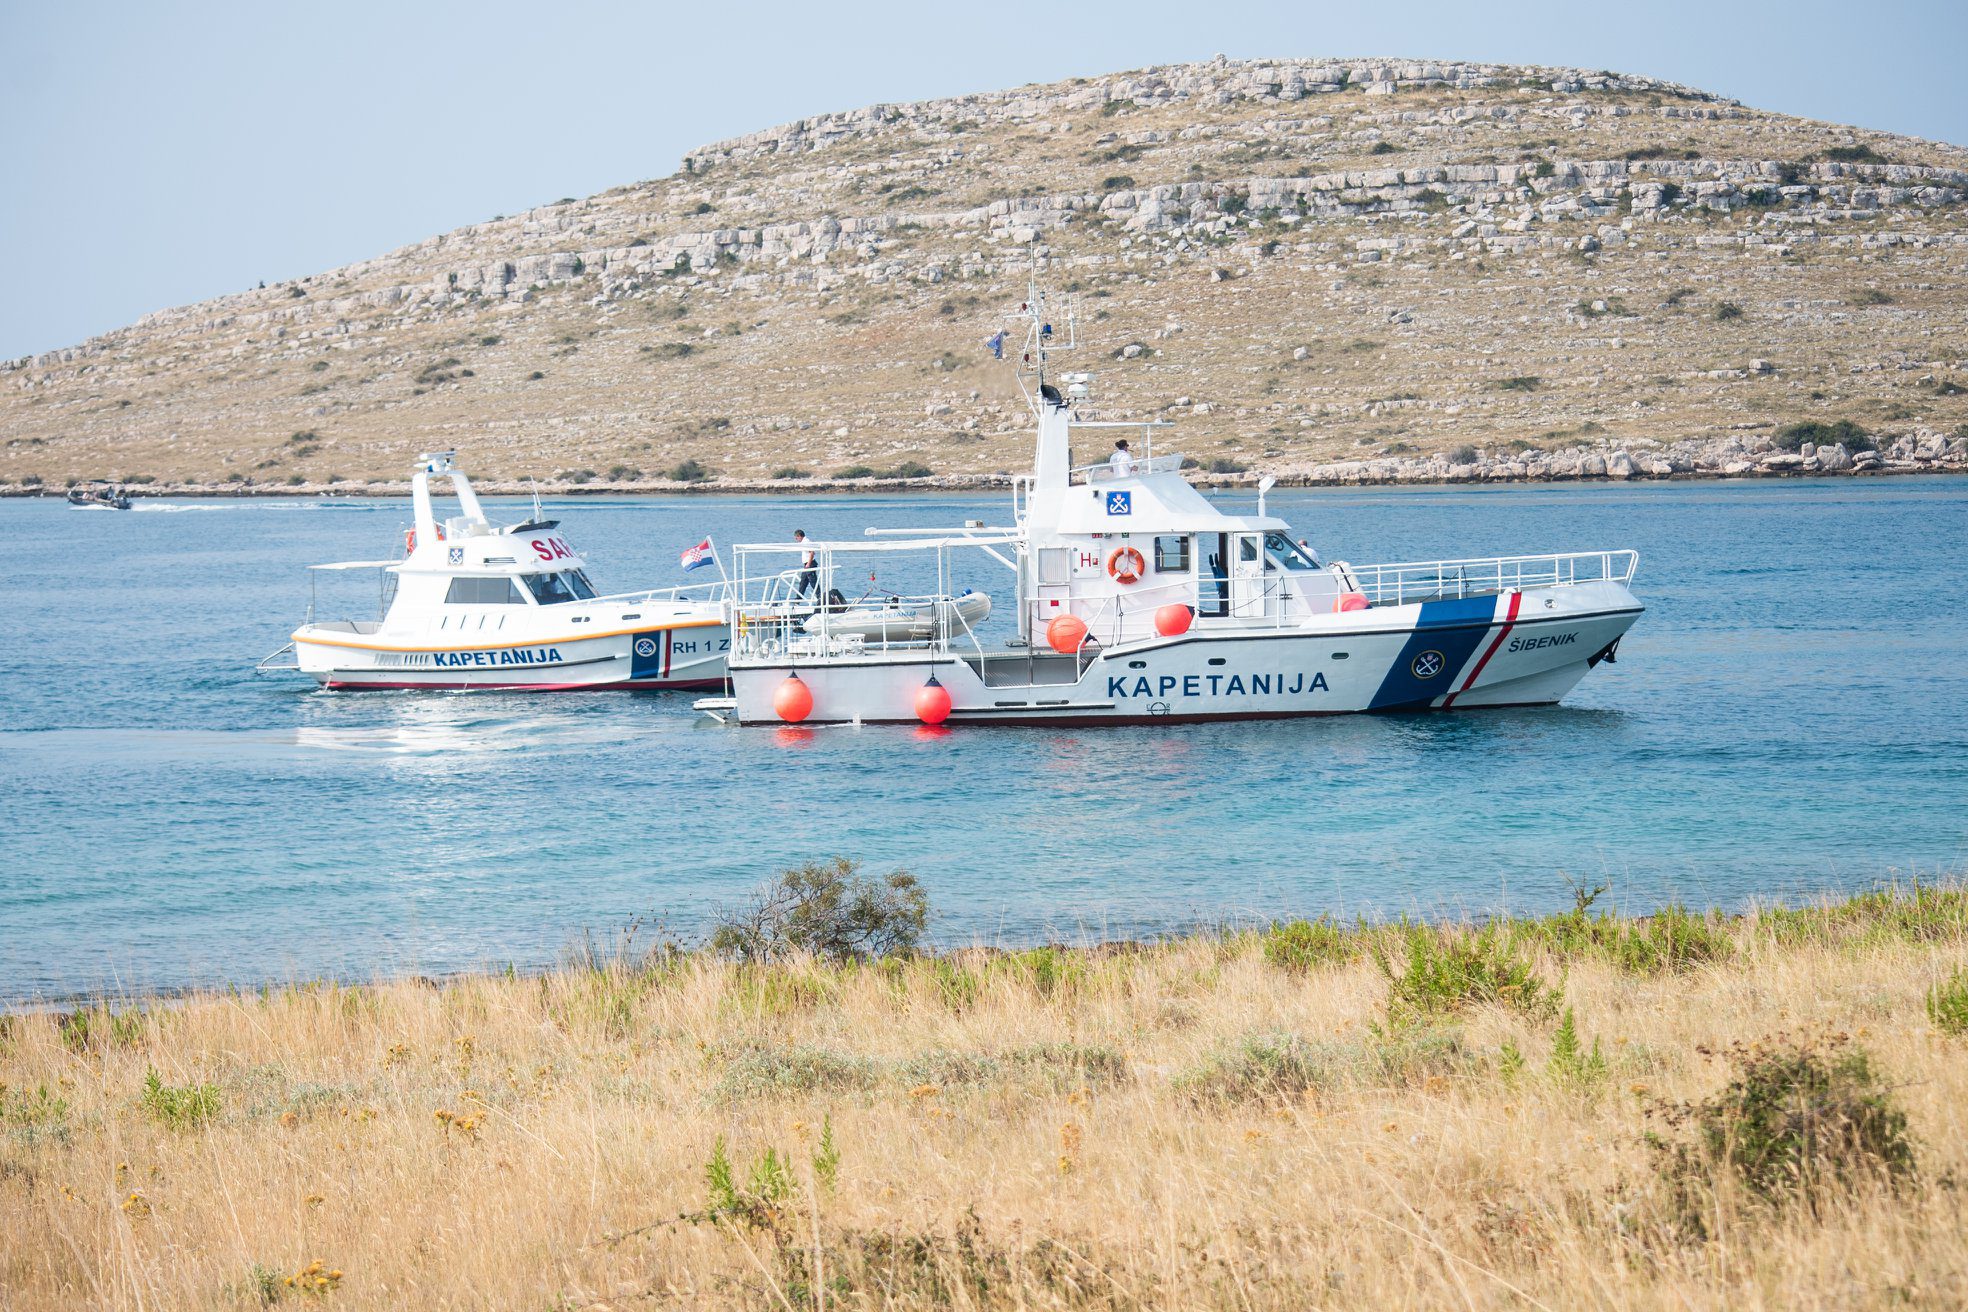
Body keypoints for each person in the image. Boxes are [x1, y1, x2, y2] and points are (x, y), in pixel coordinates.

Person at [793, 529, 818, 599]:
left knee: (813, 582)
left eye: (796, 537)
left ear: (800, 536)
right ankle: (797, 600)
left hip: (810, 564)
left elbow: (812, 552)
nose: (796, 539)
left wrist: (808, 564)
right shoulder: (804, 542)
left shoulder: (806, 542)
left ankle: (820, 598)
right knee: (803, 582)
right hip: (807, 565)